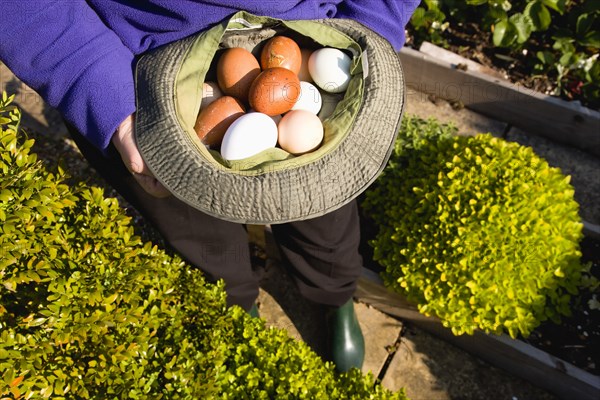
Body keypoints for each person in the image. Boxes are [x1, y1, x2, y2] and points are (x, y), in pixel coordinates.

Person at [0, 0, 419, 372]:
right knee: (195, 227)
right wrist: (96, 84)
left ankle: (334, 295)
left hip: (305, 34)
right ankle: (241, 304)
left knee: (323, 215)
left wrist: (372, 24)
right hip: (139, 72)